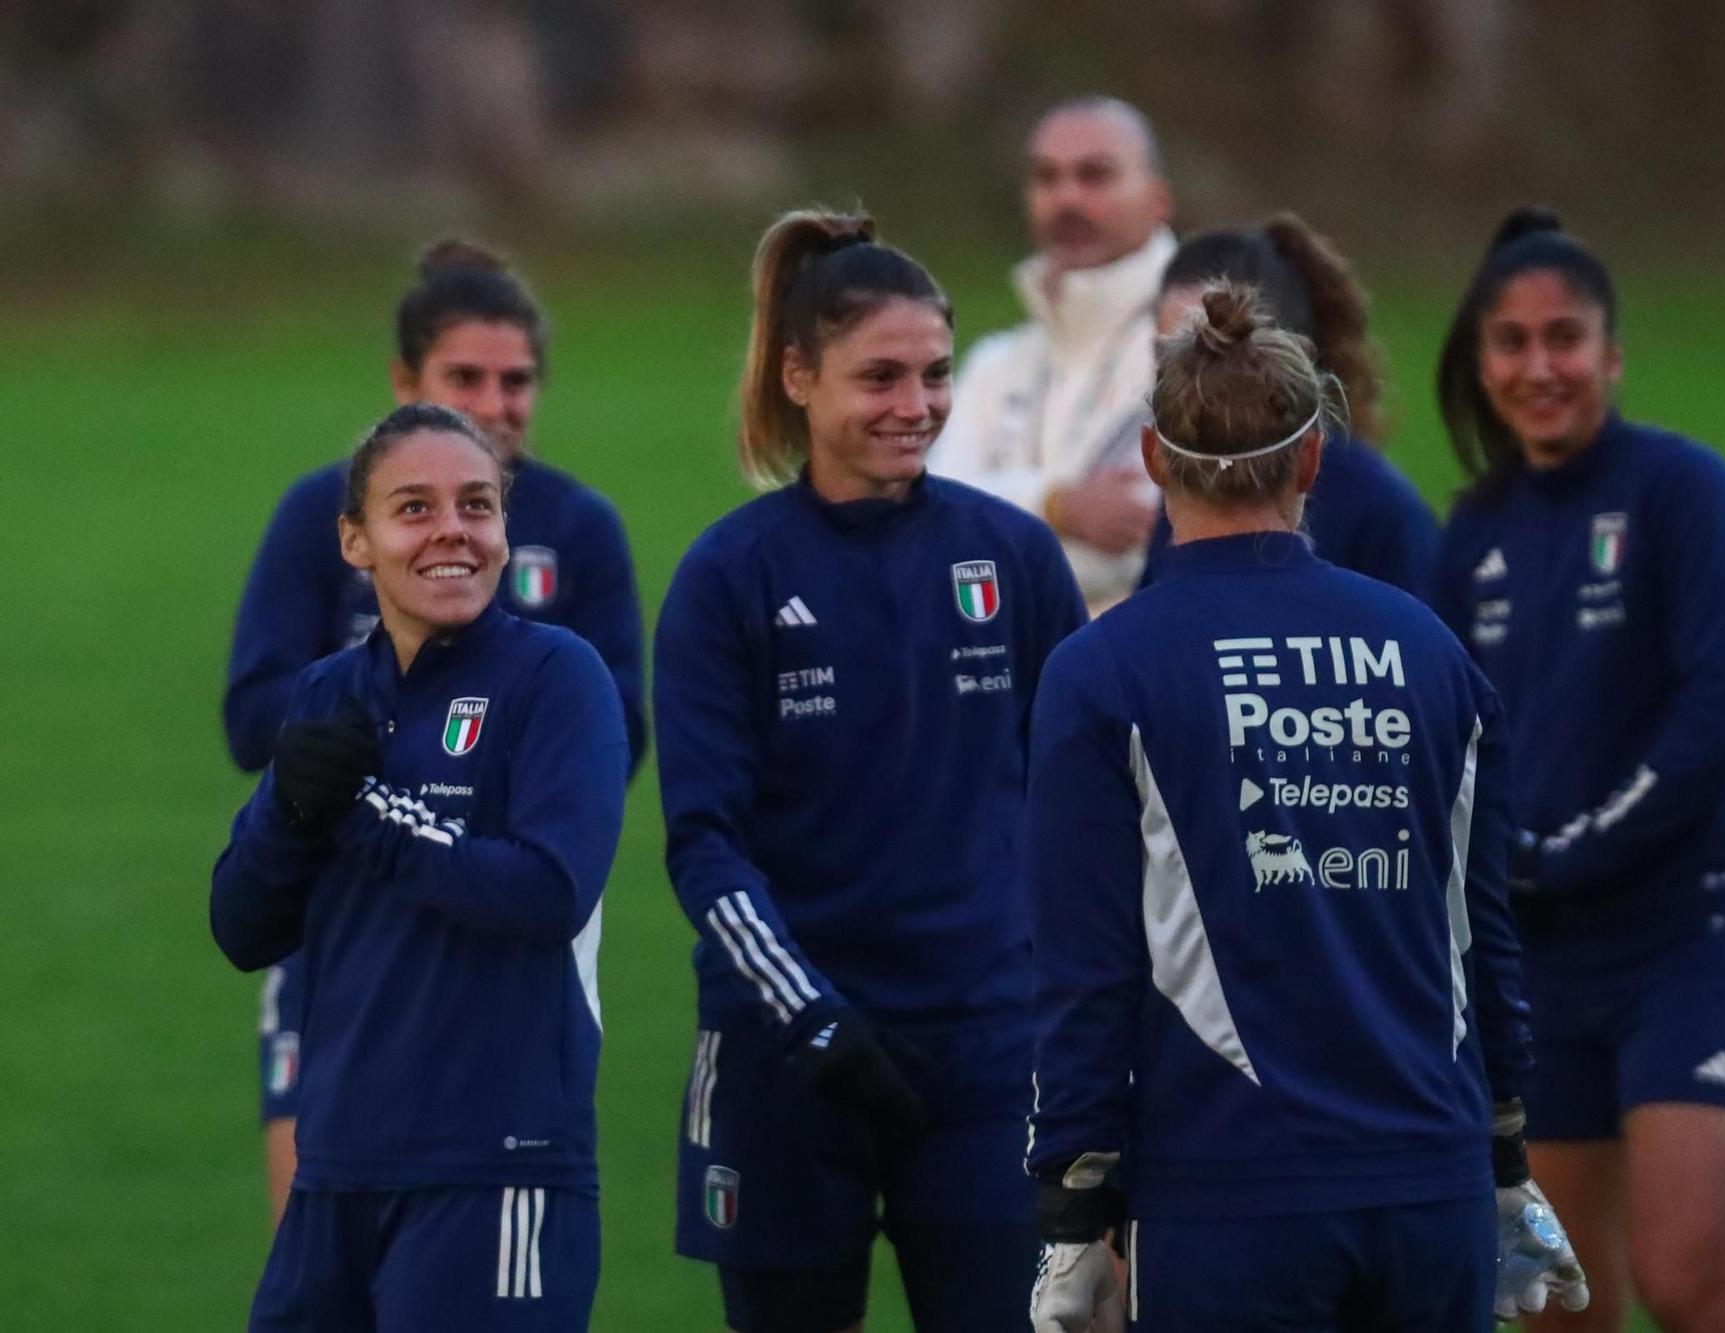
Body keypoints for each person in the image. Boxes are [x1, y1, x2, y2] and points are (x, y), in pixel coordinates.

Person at [1024, 284, 1585, 1332]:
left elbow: (1083, 966)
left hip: (1226, 1196)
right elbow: (1482, 932)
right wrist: (1504, 1154)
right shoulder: (1429, 652)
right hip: (1430, 1182)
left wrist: (1072, 1202)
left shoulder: (1100, 672)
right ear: (1313, 460)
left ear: (1153, 459)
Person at [655, 209, 1088, 1333]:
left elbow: (1078, 808)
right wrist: (811, 1017)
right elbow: (702, 841)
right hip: (786, 1059)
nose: (917, 406)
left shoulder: (1012, 557)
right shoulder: (728, 576)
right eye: (880, 376)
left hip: (985, 1057)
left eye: (936, 374)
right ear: (798, 376)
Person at [223, 239, 646, 1223]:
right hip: (336, 919)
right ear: (406, 382)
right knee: (317, 1235)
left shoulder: (579, 527)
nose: (495, 403)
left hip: (498, 893)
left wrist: (462, 760)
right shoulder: (318, 514)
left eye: (517, 380)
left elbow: (621, 724)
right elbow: (252, 713)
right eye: (466, 378)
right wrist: (352, 746)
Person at [1430, 209, 1725, 1333]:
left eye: (1564, 338)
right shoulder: (1472, 532)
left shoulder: (1685, 492)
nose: (1539, 367)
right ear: (1482, 361)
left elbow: (1720, 715)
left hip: (1694, 933)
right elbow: (1450, 749)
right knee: (1559, 1307)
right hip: (1542, 959)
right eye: (1511, 342)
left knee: (1687, 1281)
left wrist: (1565, 851)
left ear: (1612, 352)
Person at [928, 95, 1176, 613]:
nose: (1067, 198)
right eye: (1047, 177)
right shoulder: (996, 364)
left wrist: (993, 532)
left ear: (1158, 199)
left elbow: (1166, 544)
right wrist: (1057, 505)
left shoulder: (1205, 350)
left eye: (1095, 175)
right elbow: (931, 523)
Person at [1138, 215, 1438, 596]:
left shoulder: (1381, 510)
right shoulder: (1187, 483)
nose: (1192, 383)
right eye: (1173, 358)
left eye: (1218, 357)